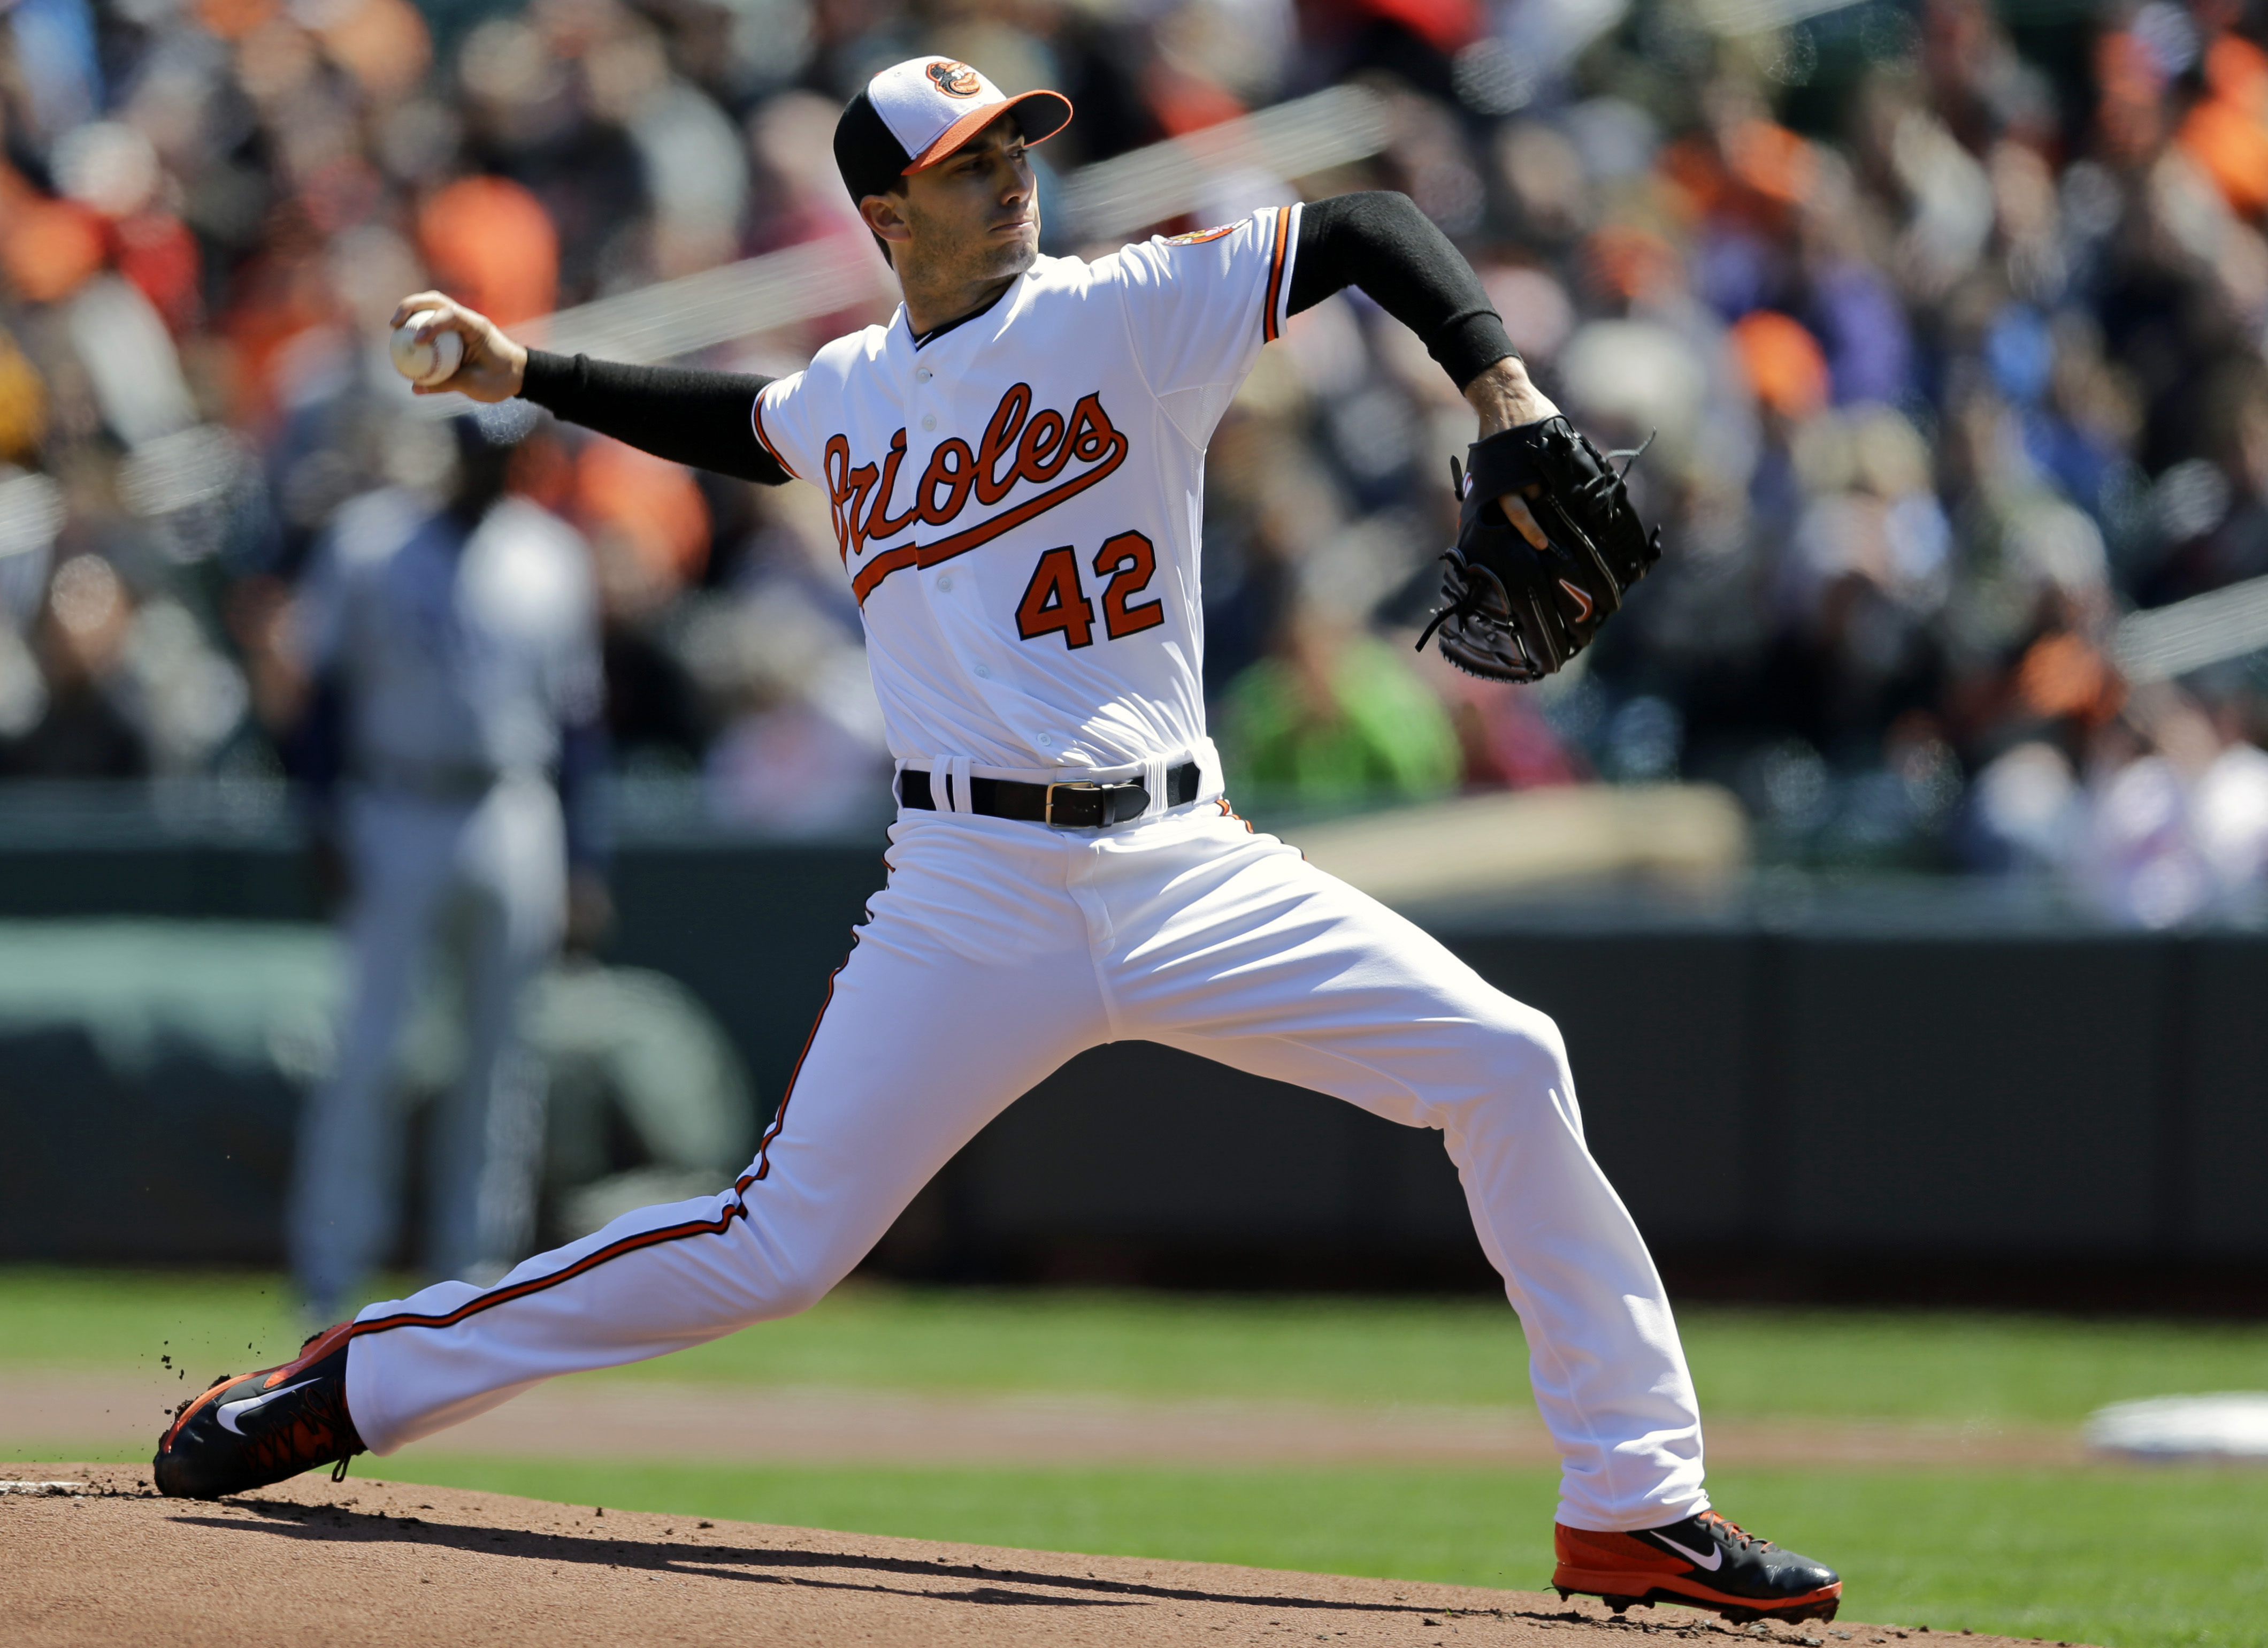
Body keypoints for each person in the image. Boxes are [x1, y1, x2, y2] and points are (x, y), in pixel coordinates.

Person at [158, 58, 1841, 1625]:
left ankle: (1634, 1503)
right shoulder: (852, 394)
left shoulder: (1131, 311)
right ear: (887, 218)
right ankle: (354, 1383)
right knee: (772, 1249)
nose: (1014, 175)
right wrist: (526, 374)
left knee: (1509, 1061)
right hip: (965, 896)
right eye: (970, 163)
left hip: (1191, 867)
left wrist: (1504, 387)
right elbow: (737, 426)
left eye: (1016, 146)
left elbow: (1374, 228)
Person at [274, 402, 610, 1328]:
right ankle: (329, 1268)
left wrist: (584, 857)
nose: (489, 467)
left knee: (504, 1056)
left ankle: (474, 1273)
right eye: (477, 449)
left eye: (506, 453)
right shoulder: (372, 543)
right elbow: (322, 699)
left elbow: (579, 725)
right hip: (397, 799)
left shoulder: (550, 556)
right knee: (371, 1048)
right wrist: (323, 818)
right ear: (449, 452)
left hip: (511, 802)